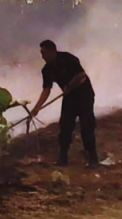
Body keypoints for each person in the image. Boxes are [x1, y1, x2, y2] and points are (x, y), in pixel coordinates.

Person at [30, 40, 98, 168]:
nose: (42, 56)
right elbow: (46, 89)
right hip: (69, 98)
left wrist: (70, 86)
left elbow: (81, 75)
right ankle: (63, 158)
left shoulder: (68, 59)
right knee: (65, 127)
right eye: (41, 53)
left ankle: (93, 158)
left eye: (44, 53)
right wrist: (36, 108)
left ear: (52, 51)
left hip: (84, 95)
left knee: (87, 127)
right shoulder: (46, 70)